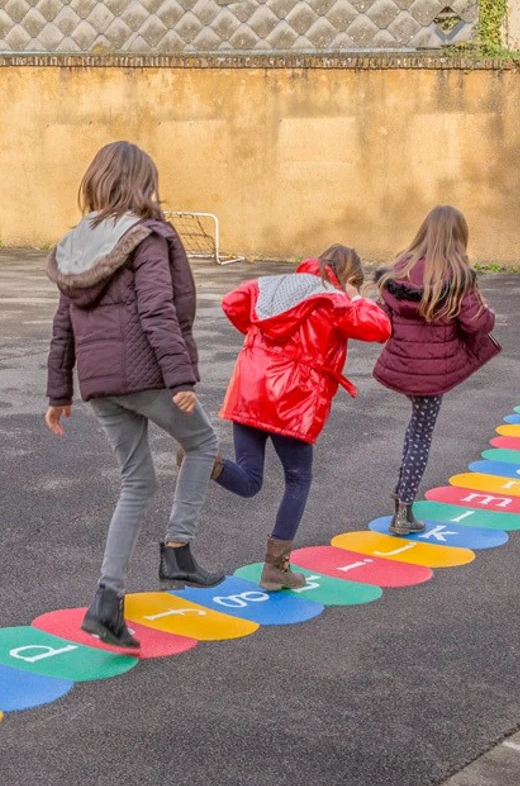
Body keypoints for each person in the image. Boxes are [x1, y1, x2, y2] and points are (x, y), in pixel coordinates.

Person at [45, 141, 221, 651]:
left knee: (136, 482)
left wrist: (59, 392)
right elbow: (157, 310)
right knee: (204, 443)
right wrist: (181, 378)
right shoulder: (145, 236)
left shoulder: (76, 243)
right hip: (148, 376)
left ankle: (107, 601)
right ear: (142, 182)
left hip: (100, 386)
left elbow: (63, 327)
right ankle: (177, 550)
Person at [213, 246, 391, 589]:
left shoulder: (275, 285)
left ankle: (205, 459)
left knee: (250, 478)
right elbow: (379, 327)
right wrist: (353, 296)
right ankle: (275, 567)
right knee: (298, 479)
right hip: (293, 399)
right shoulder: (334, 300)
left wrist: (258, 343)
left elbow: (232, 302)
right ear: (350, 276)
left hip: (251, 386)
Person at [372, 205, 500, 535]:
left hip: (403, 365)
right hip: (432, 374)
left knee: (415, 429)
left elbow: (380, 318)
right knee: (420, 434)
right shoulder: (457, 277)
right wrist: (490, 313)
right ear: (459, 237)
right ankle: (403, 510)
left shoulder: (398, 270)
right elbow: (477, 325)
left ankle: (402, 502)